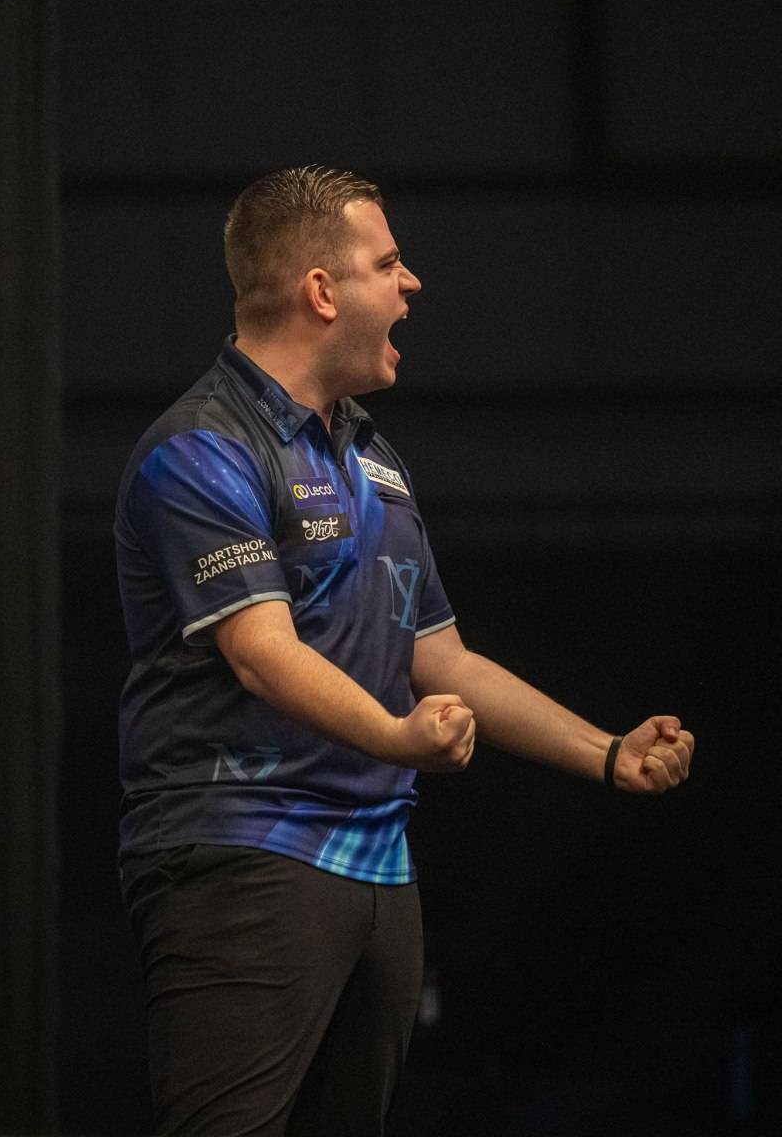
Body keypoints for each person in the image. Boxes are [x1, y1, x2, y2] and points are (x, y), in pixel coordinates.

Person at [115, 165, 694, 1137]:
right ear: (321, 291)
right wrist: (395, 736)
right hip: (244, 853)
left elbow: (443, 658)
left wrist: (606, 751)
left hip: (379, 870)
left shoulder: (371, 457)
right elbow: (261, 652)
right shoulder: (202, 450)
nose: (411, 282)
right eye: (387, 263)